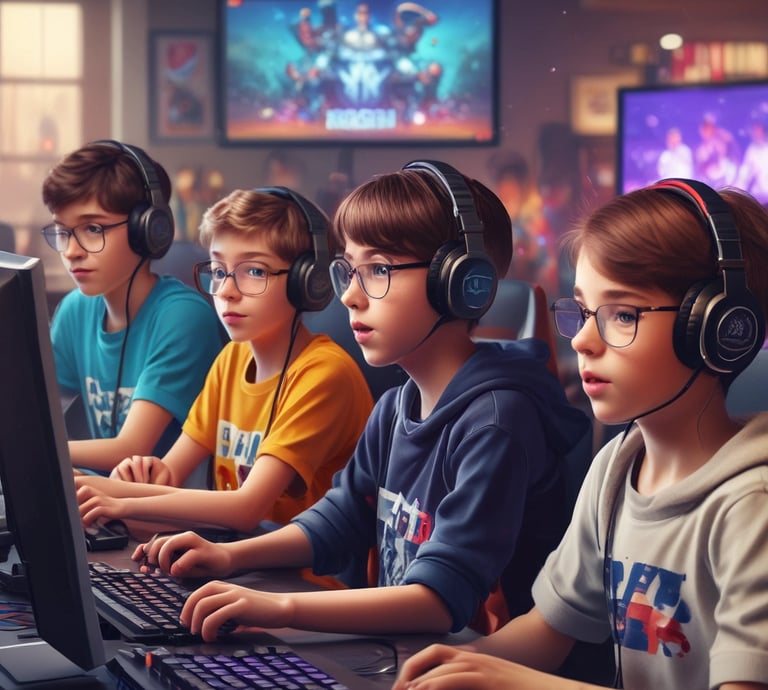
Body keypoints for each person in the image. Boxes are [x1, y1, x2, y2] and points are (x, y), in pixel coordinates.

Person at [134, 159, 592, 641]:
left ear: (459, 284)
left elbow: (438, 601)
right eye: (348, 271)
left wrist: (279, 607)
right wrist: (228, 556)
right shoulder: (396, 407)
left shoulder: (497, 423)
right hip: (398, 654)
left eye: (377, 270)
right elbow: (339, 521)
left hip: (467, 664)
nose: (350, 296)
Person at [393, 178, 768, 690]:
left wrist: (512, 682)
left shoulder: (752, 506)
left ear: (717, 328)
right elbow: (548, 630)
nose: (585, 341)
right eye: (585, 312)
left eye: (622, 315)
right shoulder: (615, 469)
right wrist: (442, 667)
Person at [75, 187, 373, 534]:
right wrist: (141, 478)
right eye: (218, 270)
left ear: (307, 283)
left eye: (254, 271)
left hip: (304, 581)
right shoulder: (231, 359)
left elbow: (247, 507)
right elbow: (170, 476)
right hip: (231, 562)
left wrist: (105, 493)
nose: (226, 290)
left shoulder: (324, 375)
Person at [41, 140, 224, 474]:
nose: (71, 251)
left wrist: (29, 449)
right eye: (63, 232)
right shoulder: (74, 311)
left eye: (93, 229)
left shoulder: (182, 317)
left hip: (169, 515)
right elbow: (33, 410)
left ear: (147, 230)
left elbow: (131, 448)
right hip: (100, 503)